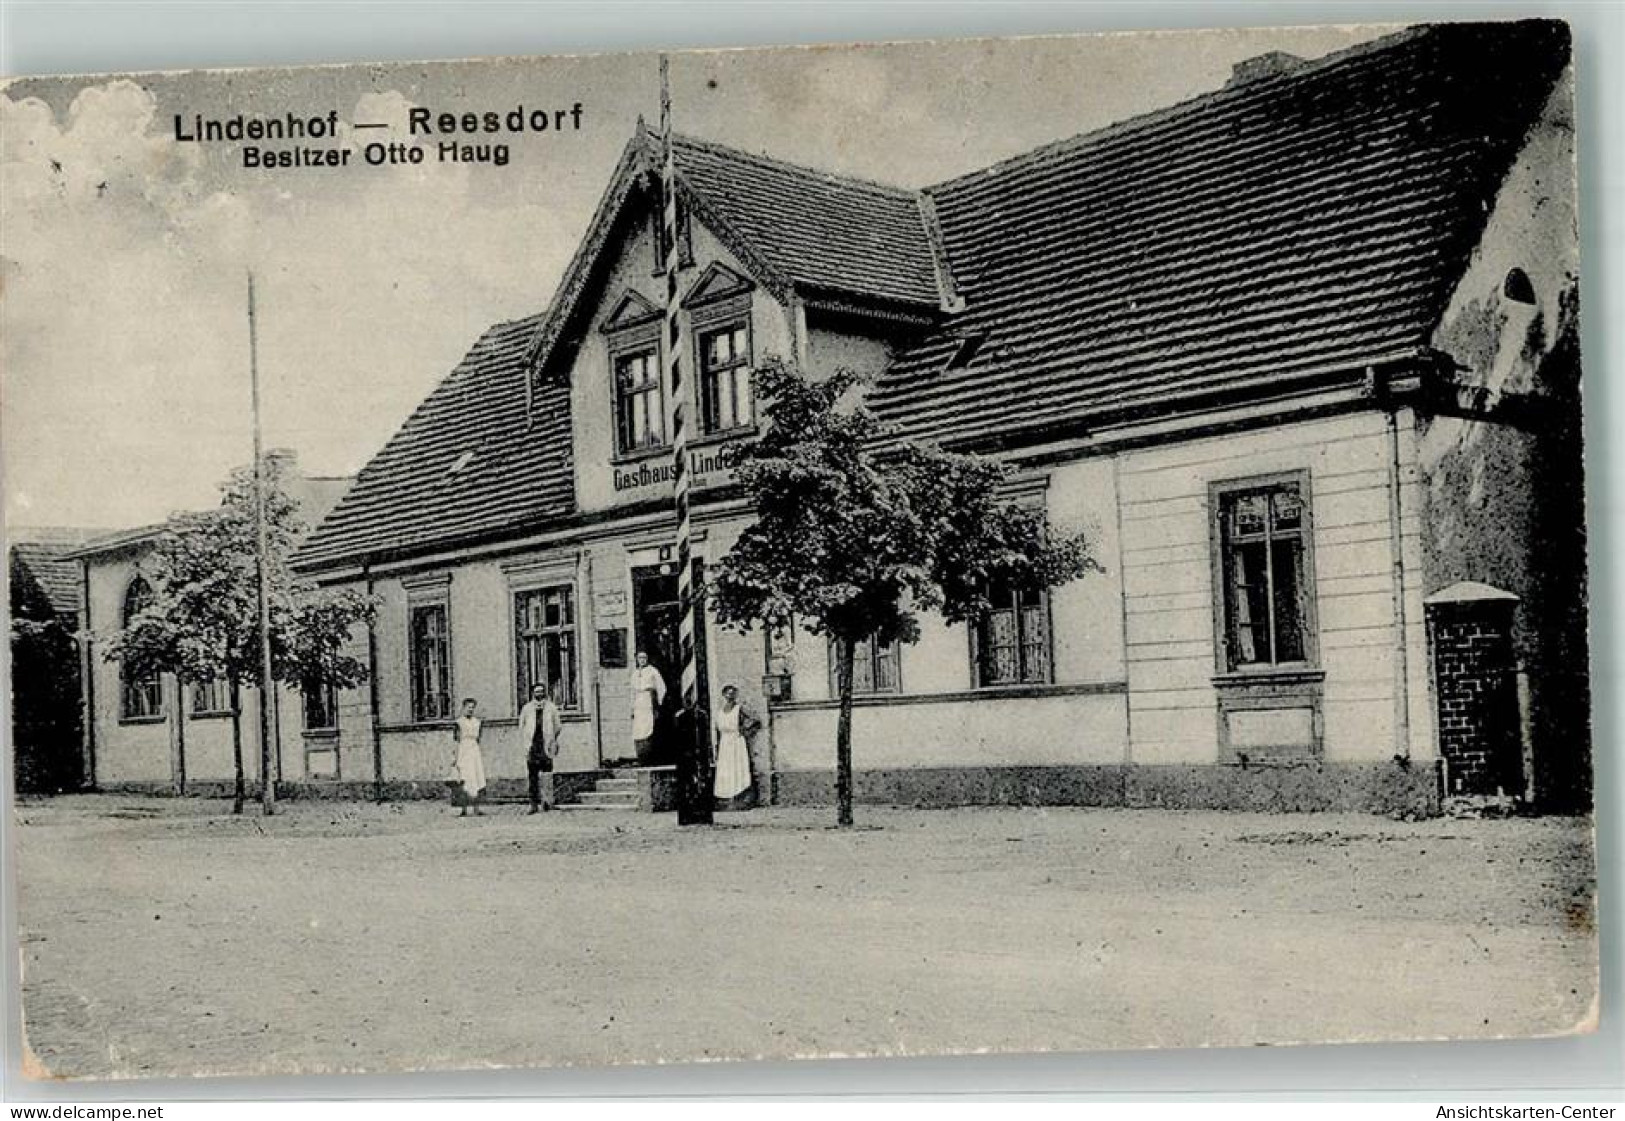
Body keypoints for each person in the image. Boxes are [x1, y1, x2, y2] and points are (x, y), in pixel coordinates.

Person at [712, 683, 762, 810]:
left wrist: (745, 730)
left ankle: (740, 798)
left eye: (733, 693)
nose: (730, 696)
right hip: (724, 744)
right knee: (725, 770)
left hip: (736, 742)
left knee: (738, 769)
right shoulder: (720, 712)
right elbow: (718, 731)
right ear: (723, 695)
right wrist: (717, 746)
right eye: (728, 694)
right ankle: (726, 799)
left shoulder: (739, 709)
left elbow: (755, 719)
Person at [518, 682, 564, 813]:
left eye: (541, 691)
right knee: (533, 776)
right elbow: (521, 726)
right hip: (533, 746)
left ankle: (548, 802)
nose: (539, 694)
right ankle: (533, 804)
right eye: (537, 691)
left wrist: (552, 739)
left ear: (545, 693)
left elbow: (558, 726)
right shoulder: (527, 708)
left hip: (546, 745)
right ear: (533, 693)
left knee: (547, 774)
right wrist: (526, 742)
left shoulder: (551, 708)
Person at [448, 697, 486, 817]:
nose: (470, 710)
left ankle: (476, 808)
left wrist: (475, 749)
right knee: (464, 778)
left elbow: (478, 738)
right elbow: (456, 740)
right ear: (463, 708)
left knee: (476, 777)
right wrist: (454, 756)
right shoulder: (458, 723)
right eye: (468, 707)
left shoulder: (477, 722)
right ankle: (463, 809)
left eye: (472, 708)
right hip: (463, 750)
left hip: (474, 750)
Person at [630, 650, 666, 765]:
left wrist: (658, 701)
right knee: (638, 728)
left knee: (648, 726)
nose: (642, 660)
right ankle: (641, 757)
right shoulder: (635, 673)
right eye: (640, 658)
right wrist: (632, 707)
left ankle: (649, 757)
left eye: (644, 657)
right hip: (638, 702)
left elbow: (661, 687)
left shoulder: (652, 671)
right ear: (636, 659)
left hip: (648, 700)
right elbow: (632, 691)